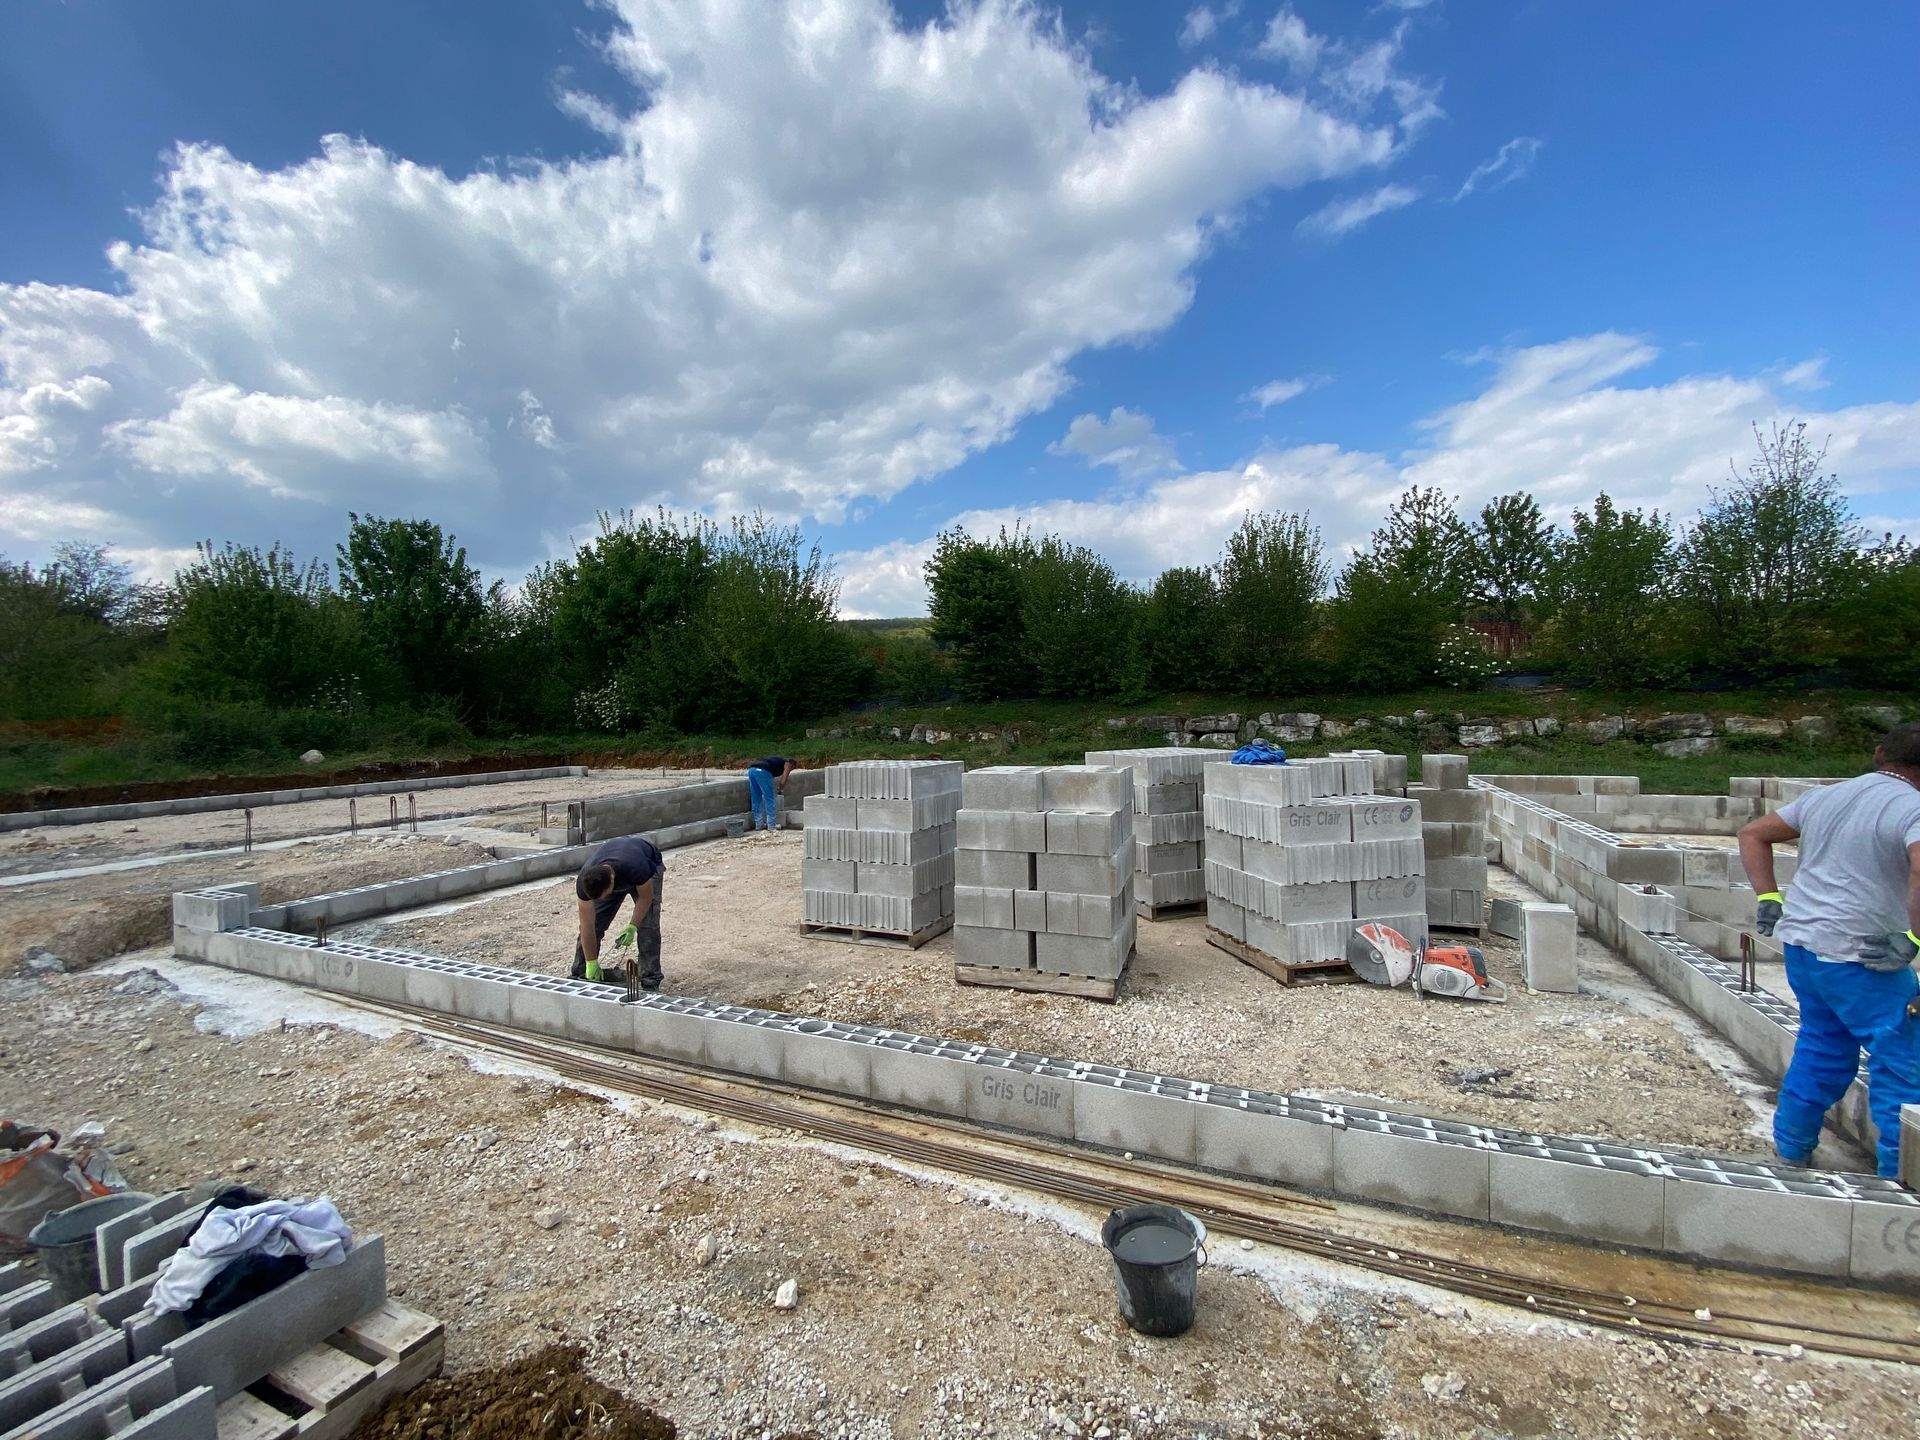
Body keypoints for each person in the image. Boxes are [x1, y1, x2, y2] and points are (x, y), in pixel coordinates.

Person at [1738, 722, 1920, 1179]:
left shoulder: (1828, 796)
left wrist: (1768, 897)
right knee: (1902, 1066)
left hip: (1805, 947)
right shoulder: (1914, 808)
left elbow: (1753, 833)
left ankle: (1792, 1151)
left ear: (1880, 753)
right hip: (1865, 956)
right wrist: (1915, 938)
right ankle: (1900, 1180)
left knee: (1822, 1047)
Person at [573, 835, 665, 990]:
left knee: (648, 926)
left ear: (612, 880)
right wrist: (591, 962)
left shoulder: (637, 867)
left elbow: (645, 898)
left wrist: (632, 926)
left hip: (647, 865)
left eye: (605, 894)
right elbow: (587, 926)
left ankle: (651, 980)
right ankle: (581, 973)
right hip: (613, 869)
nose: (603, 898)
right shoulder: (586, 881)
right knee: (596, 924)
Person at [746, 755, 794, 832]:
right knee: (770, 798)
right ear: (792, 765)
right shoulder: (788, 764)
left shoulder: (776, 760)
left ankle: (759, 823)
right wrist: (780, 790)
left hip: (752, 771)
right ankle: (771, 825)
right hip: (763, 771)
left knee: (756, 798)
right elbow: (783, 781)